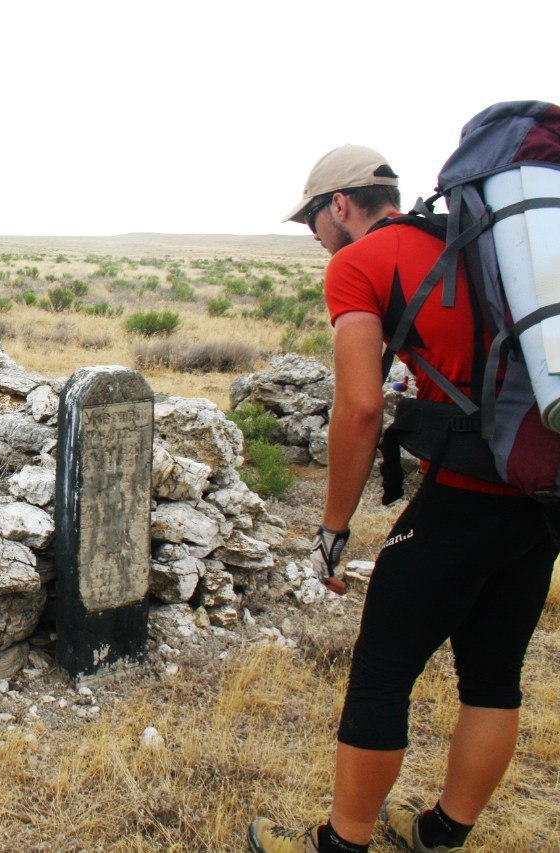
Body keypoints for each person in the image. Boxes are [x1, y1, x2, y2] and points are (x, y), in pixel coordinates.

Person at [247, 145, 560, 853]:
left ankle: (343, 842)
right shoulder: (471, 244)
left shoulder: (359, 263)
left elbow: (359, 408)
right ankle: (442, 832)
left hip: (464, 499)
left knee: (382, 674)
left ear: (340, 205)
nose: (314, 236)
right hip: (539, 492)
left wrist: (334, 526)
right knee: (494, 675)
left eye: (312, 222)